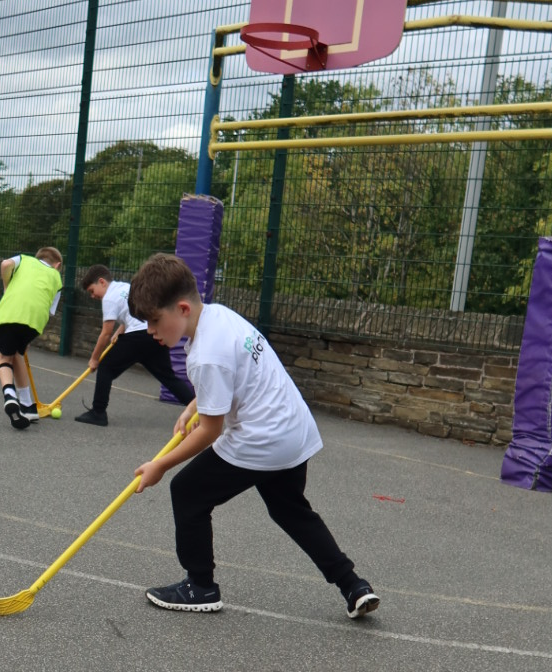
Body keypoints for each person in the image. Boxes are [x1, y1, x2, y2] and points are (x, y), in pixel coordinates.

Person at [128, 253, 380, 620]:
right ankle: (353, 585)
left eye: (154, 320)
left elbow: (211, 431)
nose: (151, 331)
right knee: (290, 510)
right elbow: (229, 379)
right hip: (293, 430)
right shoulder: (220, 317)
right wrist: (193, 405)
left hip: (262, 438)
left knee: (187, 492)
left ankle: (200, 586)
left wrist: (160, 465)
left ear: (181, 308)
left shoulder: (204, 355)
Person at [74, 264, 194, 427]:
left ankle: (98, 413)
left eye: (92, 291)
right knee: (168, 377)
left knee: (106, 367)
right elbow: (132, 313)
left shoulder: (109, 297)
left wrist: (94, 359)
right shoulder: (125, 287)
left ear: (102, 282)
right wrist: (120, 331)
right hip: (154, 333)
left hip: (138, 336)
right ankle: (197, 410)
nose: (93, 296)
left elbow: (105, 333)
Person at [0, 246, 63, 430]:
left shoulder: (24, 259)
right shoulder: (57, 279)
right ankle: (28, 406)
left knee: (3, 358)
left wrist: (6, 287)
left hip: (10, 313)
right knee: (17, 354)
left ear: (38, 257)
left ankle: (9, 395)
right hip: (35, 321)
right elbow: (49, 311)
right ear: (57, 265)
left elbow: (5, 263)